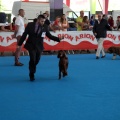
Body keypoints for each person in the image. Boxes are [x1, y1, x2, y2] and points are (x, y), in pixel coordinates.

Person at [17, 15, 63, 81]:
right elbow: (24, 35)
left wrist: (58, 39)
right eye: (42, 21)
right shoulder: (30, 25)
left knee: (37, 60)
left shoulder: (45, 27)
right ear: (38, 20)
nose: (43, 23)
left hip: (39, 46)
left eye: (44, 21)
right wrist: (19, 44)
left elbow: (49, 36)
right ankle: (32, 73)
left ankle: (31, 66)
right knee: (32, 59)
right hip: (31, 45)